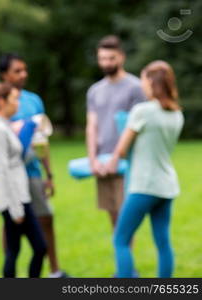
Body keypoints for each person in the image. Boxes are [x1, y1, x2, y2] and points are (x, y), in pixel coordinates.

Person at [108, 61, 184, 278]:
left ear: (151, 81)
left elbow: (121, 149)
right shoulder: (177, 114)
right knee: (163, 242)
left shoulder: (142, 111)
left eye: (143, 79)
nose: (141, 84)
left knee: (121, 239)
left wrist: (109, 163)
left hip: (144, 185)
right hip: (167, 186)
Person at [0, 53, 68, 278]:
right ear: (4, 74)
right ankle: (12, 273)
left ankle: (55, 271)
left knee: (46, 218)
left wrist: (49, 173)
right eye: (17, 70)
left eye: (24, 70)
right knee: (11, 226)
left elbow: (41, 140)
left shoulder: (34, 100)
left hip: (34, 174)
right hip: (11, 175)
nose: (23, 74)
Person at [0, 82, 47, 278]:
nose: (17, 103)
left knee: (14, 251)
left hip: (19, 195)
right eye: (14, 99)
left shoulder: (4, 126)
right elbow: (1, 171)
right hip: (12, 200)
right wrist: (16, 208)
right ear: (1, 102)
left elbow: (15, 159)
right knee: (39, 247)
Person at [86, 35, 146, 229]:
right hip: (102, 163)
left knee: (126, 221)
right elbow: (91, 126)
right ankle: (122, 258)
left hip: (128, 162)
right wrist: (92, 159)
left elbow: (137, 127)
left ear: (121, 57)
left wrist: (116, 157)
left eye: (111, 58)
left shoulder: (136, 87)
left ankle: (126, 256)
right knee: (113, 219)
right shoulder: (95, 91)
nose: (106, 63)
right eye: (102, 58)